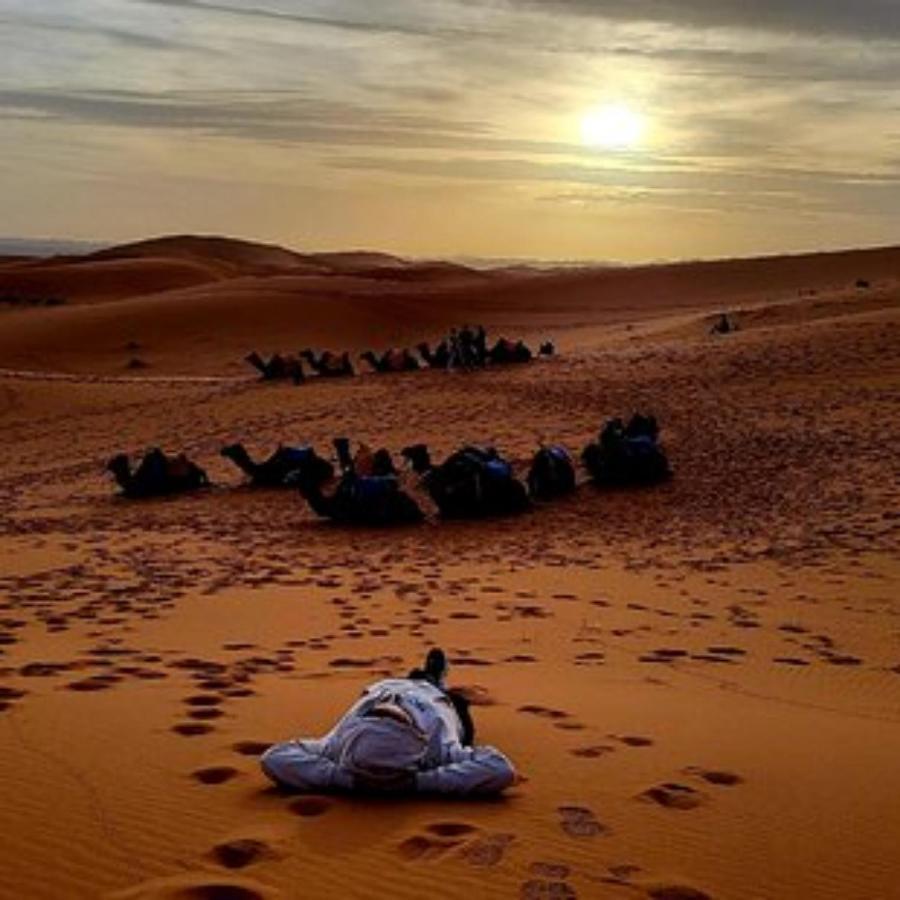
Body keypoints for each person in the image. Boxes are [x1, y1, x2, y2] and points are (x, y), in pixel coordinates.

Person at [260, 648, 515, 795]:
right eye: (398, 720)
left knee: (410, 680)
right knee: (446, 695)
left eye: (376, 715)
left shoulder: (337, 746)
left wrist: (343, 779)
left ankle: (423, 676)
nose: (391, 707)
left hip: (385, 686)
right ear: (417, 738)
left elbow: (274, 758)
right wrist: (419, 783)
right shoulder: (436, 751)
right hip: (440, 704)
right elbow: (499, 769)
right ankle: (435, 679)